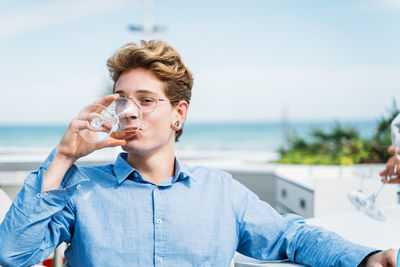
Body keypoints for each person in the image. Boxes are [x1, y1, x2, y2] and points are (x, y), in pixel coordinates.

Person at [0, 40, 398, 267]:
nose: (131, 111)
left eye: (147, 100)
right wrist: (65, 157)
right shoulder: (81, 189)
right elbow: (11, 254)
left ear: (179, 114)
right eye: (121, 100)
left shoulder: (220, 192)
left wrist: (367, 259)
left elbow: (291, 238)